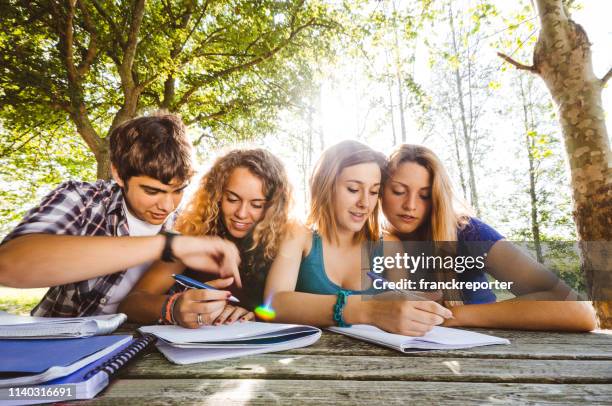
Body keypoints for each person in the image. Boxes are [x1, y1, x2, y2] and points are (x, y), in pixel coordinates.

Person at [0, 114, 241, 317]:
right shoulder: (83, 199)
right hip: (55, 348)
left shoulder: (184, 223)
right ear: (118, 174)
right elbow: (8, 266)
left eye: (178, 190)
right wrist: (166, 245)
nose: (167, 205)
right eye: (152, 191)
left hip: (138, 352)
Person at [380, 144, 596, 331]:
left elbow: (579, 311)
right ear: (380, 191)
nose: (410, 205)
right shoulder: (371, 240)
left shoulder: (468, 233)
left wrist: (456, 315)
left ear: (437, 197)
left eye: (425, 195)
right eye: (399, 191)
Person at [263, 140, 453, 336]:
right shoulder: (298, 234)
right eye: (353, 189)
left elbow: (403, 306)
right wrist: (368, 309)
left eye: (373, 192)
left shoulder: (388, 246)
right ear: (325, 186)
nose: (365, 203)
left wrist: (418, 309)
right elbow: (274, 305)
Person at [119, 148, 292, 328]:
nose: (241, 213)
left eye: (257, 205)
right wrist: (174, 306)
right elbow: (130, 305)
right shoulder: (194, 238)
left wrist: (254, 317)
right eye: (232, 199)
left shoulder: (285, 245)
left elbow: (281, 309)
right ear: (216, 196)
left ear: (273, 206)